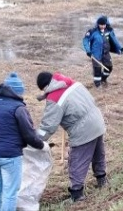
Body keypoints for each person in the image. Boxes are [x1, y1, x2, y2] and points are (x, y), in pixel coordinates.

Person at [0, 72, 46, 211]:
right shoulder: (18, 108)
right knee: (10, 189)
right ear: (17, 91)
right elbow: (28, 133)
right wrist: (41, 145)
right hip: (9, 155)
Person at [35, 71, 107, 202]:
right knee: (97, 153)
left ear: (45, 87)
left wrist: (35, 142)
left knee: (77, 160)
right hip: (97, 120)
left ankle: (76, 193)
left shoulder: (55, 98)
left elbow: (48, 126)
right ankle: (102, 180)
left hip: (83, 129)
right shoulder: (73, 83)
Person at [82, 15, 123, 88]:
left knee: (109, 67)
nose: (103, 26)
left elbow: (114, 40)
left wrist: (120, 48)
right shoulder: (92, 31)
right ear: (98, 24)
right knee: (97, 69)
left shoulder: (108, 30)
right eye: (101, 25)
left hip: (105, 53)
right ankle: (97, 84)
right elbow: (85, 40)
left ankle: (103, 79)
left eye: (104, 25)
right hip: (96, 54)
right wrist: (88, 51)